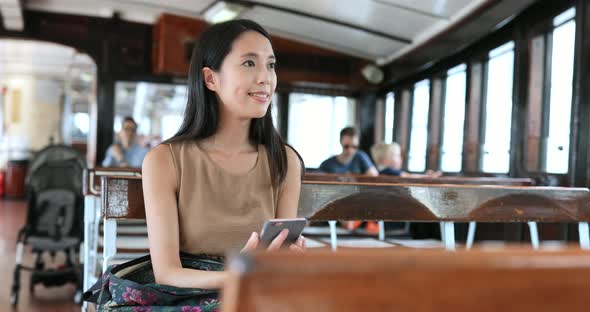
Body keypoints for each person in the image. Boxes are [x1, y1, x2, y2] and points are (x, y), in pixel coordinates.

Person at [141, 19, 304, 298]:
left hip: (257, 294)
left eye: (271, 65)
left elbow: (278, 260)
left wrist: (288, 262)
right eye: (249, 63)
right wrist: (236, 276)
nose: (266, 77)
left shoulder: (284, 160)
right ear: (210, 79)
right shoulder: (163, 161)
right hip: (189, 296)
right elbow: (167, 273)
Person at [371, 142, 442, 177]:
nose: (400, 158)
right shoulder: (389, 171)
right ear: (385, 159)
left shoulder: (382, 171)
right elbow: (410, 177)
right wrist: (426, 177)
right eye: (397, 155)